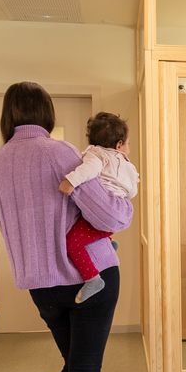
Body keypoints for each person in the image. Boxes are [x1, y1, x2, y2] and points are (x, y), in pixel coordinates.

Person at [0, 82, 133, 372]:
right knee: (86, 370)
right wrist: (125, 207)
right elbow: (109, 217)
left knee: (73, 365)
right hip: (88, 277)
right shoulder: (61, 152)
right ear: (46, 112)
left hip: (41, 285)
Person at [57, 112, 139, 304]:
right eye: (128, 143)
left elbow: (88, 170)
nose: (128, 148)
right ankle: (108, 241)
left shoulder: (96, 154)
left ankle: (92, 279)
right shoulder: (126, 163)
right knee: (89, 218)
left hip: (106, 214)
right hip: (124, 210)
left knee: (71, 242)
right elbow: (132, 190)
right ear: (119, 144)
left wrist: (70, 182)